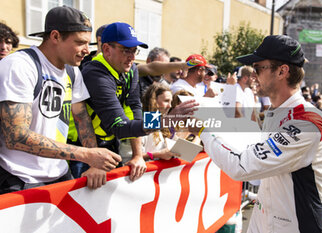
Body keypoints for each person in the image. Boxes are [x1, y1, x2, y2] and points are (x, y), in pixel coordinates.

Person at [192, 35, 322, 232]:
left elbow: (243, 166)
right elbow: (262, 173)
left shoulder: (309, 121)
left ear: (282, 71)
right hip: (265, 221)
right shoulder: (277, 112)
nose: (252, 76)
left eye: (258, 68)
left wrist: (203, 130)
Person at [0, 6, 121, 194]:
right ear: (55, 37)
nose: (86, 51)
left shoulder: (72, 70)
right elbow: (16, 136)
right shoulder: (19, 65)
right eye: (80, 42)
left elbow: (82, 118)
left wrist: (94, 162)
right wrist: (86, 154)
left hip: (59, 174)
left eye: (88, 44)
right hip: (19, 177)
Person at [81, 22, 198, 181]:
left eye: (135, 50)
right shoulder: (96, 73)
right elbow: (120, 126)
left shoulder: (130, 70)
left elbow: (134, 112)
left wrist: (138, 156)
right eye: (126, 50)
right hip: (83, 151)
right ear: (107, 49)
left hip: (111, 143)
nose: (133, 57)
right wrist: (166, 120)